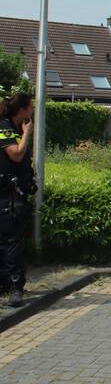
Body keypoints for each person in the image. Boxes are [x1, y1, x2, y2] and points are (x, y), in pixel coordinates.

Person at [0, 92, 35, 308]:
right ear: (21, 109)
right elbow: (16, 154)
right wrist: (27, 133)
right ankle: (15, 286)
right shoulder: (4, 128)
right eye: (31, 107)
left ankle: (7, 283)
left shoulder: (11, 127)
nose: (32, 111)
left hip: (14, 194)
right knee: (11, 241)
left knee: (11, 240)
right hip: (6, 196)